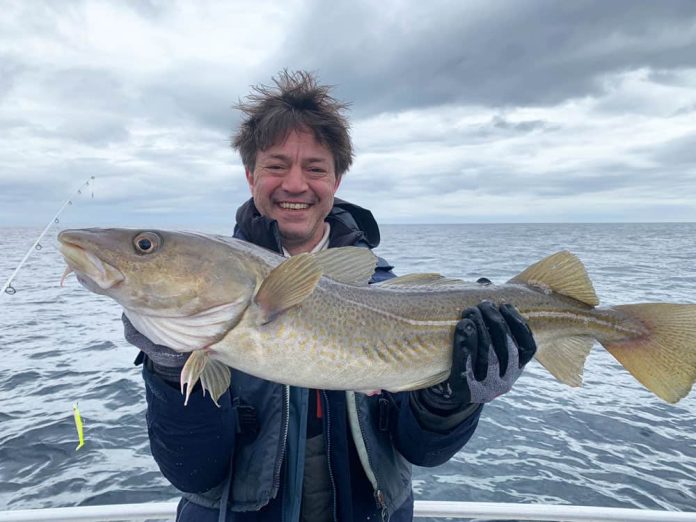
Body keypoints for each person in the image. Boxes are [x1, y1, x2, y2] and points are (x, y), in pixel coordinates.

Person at [123, 70, 537, 521]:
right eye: (276, 166)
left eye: (315, 168)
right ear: (250, 176)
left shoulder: (380, 292)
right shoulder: (203, 311)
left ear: (337, 181)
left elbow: (422, 451)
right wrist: (169, 368)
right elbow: (193, 472)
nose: (295, 185)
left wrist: (456, 399)